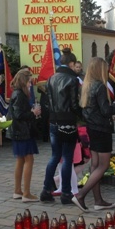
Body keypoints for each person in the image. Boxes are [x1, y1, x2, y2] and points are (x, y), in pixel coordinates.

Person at [71, 57, 115, 212]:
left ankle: (98, 200)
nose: (107, 71)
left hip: (92, 128)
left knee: (94, 164)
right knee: (103, 165)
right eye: (105, 68)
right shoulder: (100, 86)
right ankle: (81, 195)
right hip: (101, 129)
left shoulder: (87, 85)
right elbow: (105, 110)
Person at [40, 48, 81, 205]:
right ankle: (65, 193)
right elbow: (74, 105)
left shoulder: (51, 78)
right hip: (68, 122)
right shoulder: (72, 80)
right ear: (71, 64)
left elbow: (49, 101)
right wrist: (83, 115)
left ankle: (46, 190)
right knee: (67, 158)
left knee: (55, 156)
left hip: (53, 121)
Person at [8, 69, 41, 203]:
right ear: (24, 81)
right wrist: (33, 113)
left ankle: (18, 190)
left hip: (19, 131)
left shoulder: (17, 93)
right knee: (29, 160)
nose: (30, 84)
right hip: (23, 132)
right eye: (29, 81)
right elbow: (19, 115)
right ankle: (26, 192)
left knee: (20, 160)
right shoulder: (19, 94)